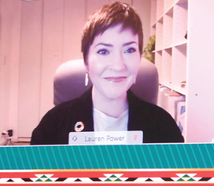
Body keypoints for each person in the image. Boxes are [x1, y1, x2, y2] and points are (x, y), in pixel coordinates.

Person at [31, 2, 184, 145]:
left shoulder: (163, 127)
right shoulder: (52, 127)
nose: (118, 65)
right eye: (103, 51)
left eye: (129, 50)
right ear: (86, 62)